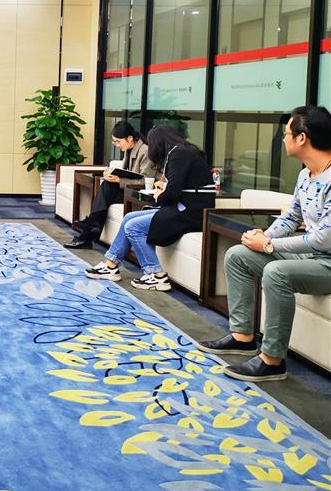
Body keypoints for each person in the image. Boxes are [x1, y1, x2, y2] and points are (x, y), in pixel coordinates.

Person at [197, 106, 331, 383]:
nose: (283, 139)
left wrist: (269, 245)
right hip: (309, 257)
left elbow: (324, 238)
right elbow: (292, 217)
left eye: (286, 133)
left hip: (327, 262)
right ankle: (242, 336)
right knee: (238, 255)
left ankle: (272, 360)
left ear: (302, 138)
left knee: (276, 272)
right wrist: (263, 236)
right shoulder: (305, 175)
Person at [85, 125, 215, 291]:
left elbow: (173, 193)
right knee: (129, 218)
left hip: (189, 212)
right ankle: (111, 265)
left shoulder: (179, 154)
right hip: (185, 207)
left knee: (134, 227)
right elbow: (180, 187)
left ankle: (156, 275)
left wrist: (159, 195)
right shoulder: (182, 152)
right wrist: (163, 189)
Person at [66, 121, 156, 249]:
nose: (116, 145)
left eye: (118, 141)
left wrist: (118, 180)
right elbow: (127, 173)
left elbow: (146, 181)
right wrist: (110, 174)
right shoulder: (129, 148)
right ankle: (89, 230)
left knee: (107, 188)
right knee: (107, 185)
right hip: (128, 190)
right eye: (114, 142)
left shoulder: (145, 151)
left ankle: (89, 228)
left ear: (130, 138)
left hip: (139, 195)